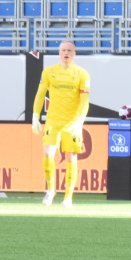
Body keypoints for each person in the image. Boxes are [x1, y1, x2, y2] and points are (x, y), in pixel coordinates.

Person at [31, 40, 90, 208]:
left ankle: (68, 197)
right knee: (48, 153)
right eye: (63, 50)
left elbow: (85, 101)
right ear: (59, 53)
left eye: (69, 50)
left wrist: (79, 121)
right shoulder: (49, 72)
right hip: (53, 120)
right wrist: (35, 116)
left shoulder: (82, 74)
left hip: (72, 122)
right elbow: (40, 94)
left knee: (71, 157)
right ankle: (50, 190)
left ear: (74, 54)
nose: (66, 53)